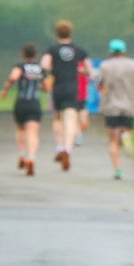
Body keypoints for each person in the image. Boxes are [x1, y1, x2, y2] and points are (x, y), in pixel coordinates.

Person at [41, 19, 93, 171]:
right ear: (71, 32)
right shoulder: (79, 50)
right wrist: (76, 70)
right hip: (72, 88)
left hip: (57, 88)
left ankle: (59, 147)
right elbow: (89, 70)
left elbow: (44, 65)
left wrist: (55, 68)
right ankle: (67, 150)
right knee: (70, 120)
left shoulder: (52, 49)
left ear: (57, 33)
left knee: (58, 118)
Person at [96, 38, 134, 180]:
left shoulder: (105, 66)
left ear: (110, 51)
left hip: (111, 107)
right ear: (124, 51)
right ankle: (126, 138)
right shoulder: (133, 65)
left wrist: (104, 91)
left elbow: (99, 85)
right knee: (125, 133)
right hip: (129, 106)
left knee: (113, 140)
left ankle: (117, 169)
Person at [0, 43, 46, 176]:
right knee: (33, 132)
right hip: (34, 103)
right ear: (36, 55)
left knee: (21, 129)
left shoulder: (20, 67)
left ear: (23, 55)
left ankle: (21, 155)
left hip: (21, 103)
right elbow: (46, 87)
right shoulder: (39, 69)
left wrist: (5, 89)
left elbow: (14, 77)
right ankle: (31, 158)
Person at [74, 59, 92, 146]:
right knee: (82, 109)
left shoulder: (70, 64)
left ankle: (78, 137)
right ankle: (84, 118)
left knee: (74, 116)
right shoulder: (85, 65)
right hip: (83, 92)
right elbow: (91, 78)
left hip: (73, 92)